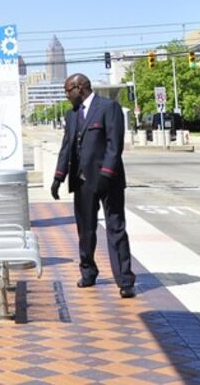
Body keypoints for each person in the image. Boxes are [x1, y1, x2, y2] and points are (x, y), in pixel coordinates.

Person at [51, 73, 136, 298]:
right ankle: (88, 271)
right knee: (85, 231)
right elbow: (67, 147)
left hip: (109, 181)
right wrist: (59, 176)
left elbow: (114, 145)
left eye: (68, 91)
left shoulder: (109, 108)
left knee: (115, 229)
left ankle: (125, 280)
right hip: (82, 182)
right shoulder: (72, 115)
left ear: (79, 88)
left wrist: (106, 175)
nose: (66, 96)